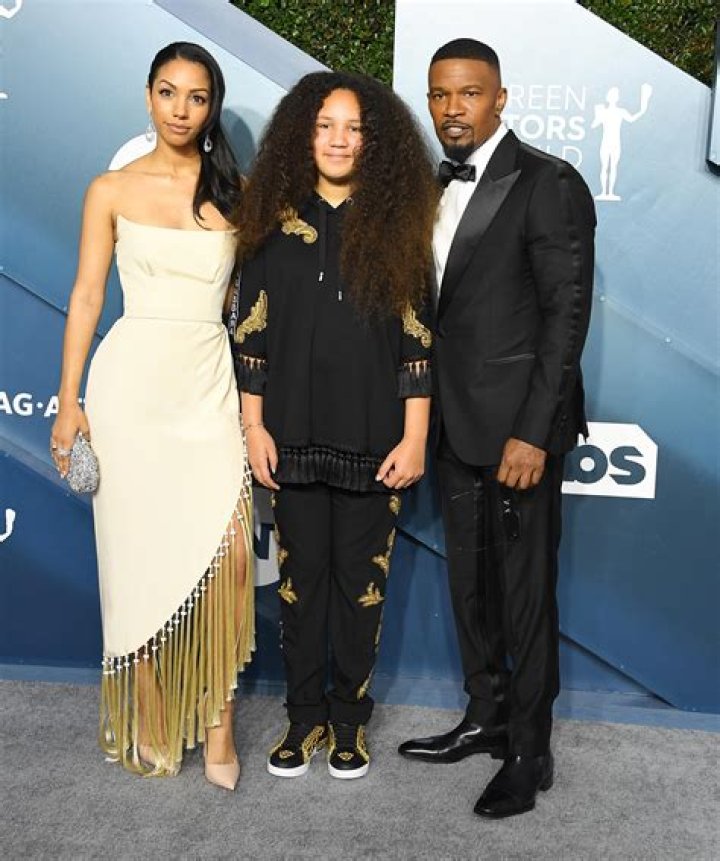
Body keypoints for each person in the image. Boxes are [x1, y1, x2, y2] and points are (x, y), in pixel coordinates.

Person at [398, 39, 595, 818]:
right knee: (468, 586)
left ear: (501, 98)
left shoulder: (548, 182)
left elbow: (564, 317)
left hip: (518, 434)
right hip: (450, 425)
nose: (452, 108)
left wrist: (534, 432)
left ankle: (529, 749)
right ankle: (485, 716)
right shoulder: (424, 187)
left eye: (469, 94)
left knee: (523, 594)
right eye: (440, 94)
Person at [51, 42, 253, 790]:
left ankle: (220, 721)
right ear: (147, 97)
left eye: (196, 97)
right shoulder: (108, 189)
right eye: (167, 93)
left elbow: (245, 305)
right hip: (129, 388)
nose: (180, 109)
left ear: (211, 106)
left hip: (206, 388)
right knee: (134, 560)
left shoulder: (238, 191)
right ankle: (152, 712)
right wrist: (69, 401)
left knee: (229, 561)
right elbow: (86, 298)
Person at [233, 71, 437, 779]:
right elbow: (250, 342)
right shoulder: (269, 226)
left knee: (361, 589)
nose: (339, 139)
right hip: (287, 441)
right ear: (302, 133)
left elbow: (417, 345)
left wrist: (414, 437)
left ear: (373, 141)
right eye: (325, 125)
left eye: (353, 127)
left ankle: (349, 722)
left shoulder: (399, 231)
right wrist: (253, 427)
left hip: (376, 446)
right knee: (299, 587)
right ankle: (303, 719)